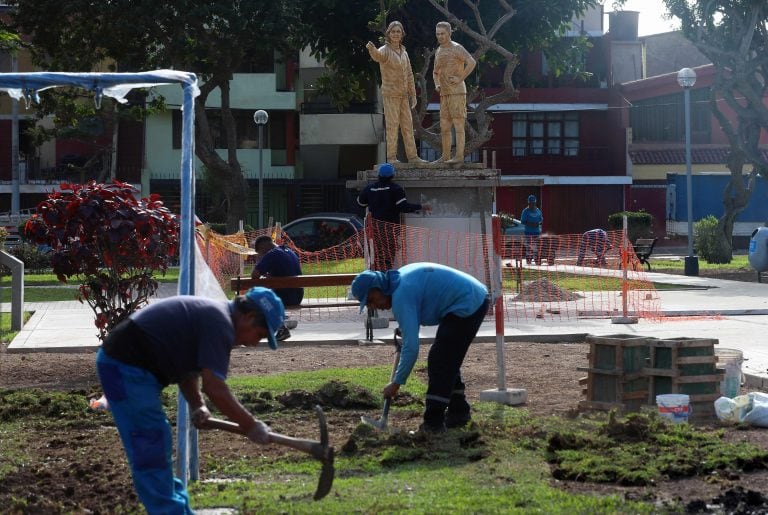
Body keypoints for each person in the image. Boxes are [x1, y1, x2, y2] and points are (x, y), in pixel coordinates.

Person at [95, 287, 285, 514]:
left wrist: (198, 405)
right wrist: (251, 425)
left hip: (129, 366)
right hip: (125, 367)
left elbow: (186, 370)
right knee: (150, 445)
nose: (255, 344)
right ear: (249, 317)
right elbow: (215, 389)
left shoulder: (216, 317)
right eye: (260, 336)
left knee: (157, 443)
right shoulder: (220, 323)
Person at [351, 262, 489, 433]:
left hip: (469, 302)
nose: (373, 307)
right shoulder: (398, 282)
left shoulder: (401, 295)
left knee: (440, 360)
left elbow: (412, 348)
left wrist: (396, 382)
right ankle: (458, 412)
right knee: (447, 357)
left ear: (378, 287)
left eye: (371, 300)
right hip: (470, 296)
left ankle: (433, 424)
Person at [366, 21, 427, 164]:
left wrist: (413, 93)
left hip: (404, 95)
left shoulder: (404, 52)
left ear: (402, 34)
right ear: (388, 33)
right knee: (392, 125)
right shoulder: (384, 50)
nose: (395, 34)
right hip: (390, 94)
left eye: (398, 31)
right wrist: (372, 50)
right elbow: (377, 57)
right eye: (393, 31)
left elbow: (410, 74)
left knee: (408, 126)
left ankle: (413, 157)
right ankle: (392, 157)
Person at [357, 163, 431, 270]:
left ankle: (376, 280)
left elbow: (360, 203)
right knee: (388, 259)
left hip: (374, 230)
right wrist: (422, 206)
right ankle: (385, 280)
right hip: (389, 230)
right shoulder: (396, 189)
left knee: (375, 258)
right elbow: (403, 207)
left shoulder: (370, 188)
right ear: (392, 176)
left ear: (378, 175)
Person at [433, 21, 476, 164]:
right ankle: (445, 156)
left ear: (450, 33)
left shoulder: (457, 48)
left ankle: (459, 156)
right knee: (444, 126)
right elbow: (435, 72)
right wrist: (437, 84)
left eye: (443, 33)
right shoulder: (438, 50)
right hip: (444, 93)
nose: (440, 36)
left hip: (457, 92)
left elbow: (472, 62)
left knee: (458, 124)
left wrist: (460, 78)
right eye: (438, 34)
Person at [252, 235, 303, 340]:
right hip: (298, 294)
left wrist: (259, 262)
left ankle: (280, 328)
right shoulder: (288, 250)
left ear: (262, 248)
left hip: (287, 297)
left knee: (258, 299)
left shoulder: (272, 254)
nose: (261, 257)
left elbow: (254, 275)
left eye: (260, 254)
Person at [520, 194, 543, 264]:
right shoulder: (525, 211)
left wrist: (539, 223)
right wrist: (530, 224)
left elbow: (541, 220)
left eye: (533, 203)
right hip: (528, 232)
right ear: (528, 203)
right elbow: (522, 221)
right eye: (530, 203)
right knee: (529, 247)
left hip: (537, 232)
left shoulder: (538, 211)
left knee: (537, 247)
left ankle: (537, 260)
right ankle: (529, 260)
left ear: (535, 203)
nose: (532, 205)